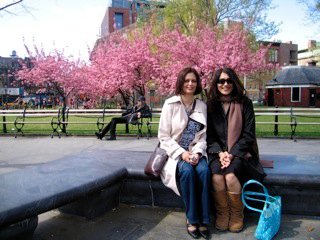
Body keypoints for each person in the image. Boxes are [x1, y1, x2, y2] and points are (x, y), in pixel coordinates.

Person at [206, 67, 266, 233]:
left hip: (241, 152)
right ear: (216, 84)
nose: (225, 84)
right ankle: (223, 212)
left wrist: (232, 153)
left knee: (231, 176)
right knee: (217, 176)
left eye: (229, 80)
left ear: (234, 82)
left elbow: (248, 134)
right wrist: (220, 153)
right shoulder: (210, 105)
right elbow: (209, 135)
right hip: (216, 152)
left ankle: (237, 213)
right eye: (221, 81)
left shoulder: (244, 103)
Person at [158, 67, 211, 239]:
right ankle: (192, 218)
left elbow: (203, 137)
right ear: (181, 82)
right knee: (187, 172)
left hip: (195, 152)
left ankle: (204, 219)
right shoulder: (170, 104)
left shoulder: (202, 106)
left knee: (203, 171)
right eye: (187, 80)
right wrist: (182, 154)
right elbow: (164, 137)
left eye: (193, 81)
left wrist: (196, 153)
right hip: (176, 153)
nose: (190, 84)